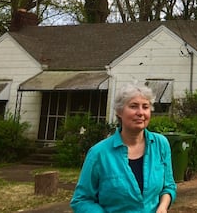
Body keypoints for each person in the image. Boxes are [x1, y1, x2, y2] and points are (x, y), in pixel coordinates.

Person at [70, 82, 176, 213]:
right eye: (133, 106)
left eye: (145, 107)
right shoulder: (99, 153)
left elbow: (168, 186)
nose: (141, 113)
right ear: (119, 111)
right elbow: (81, 200)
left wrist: (162, 207)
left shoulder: (161, 144)